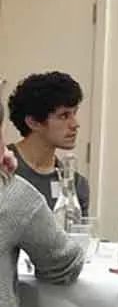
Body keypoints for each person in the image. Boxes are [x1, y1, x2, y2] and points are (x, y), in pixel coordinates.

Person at [0, 101, 84, 307]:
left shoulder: (77, 182)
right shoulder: (14, 194)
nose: (75, 124)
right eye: (64, 115)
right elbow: (64, 263)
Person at [7, 71, 90, 216]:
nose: (75, 124)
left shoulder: (74, 184)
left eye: (74, 113)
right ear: (33, 122)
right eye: (64, 116)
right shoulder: (4, 168)